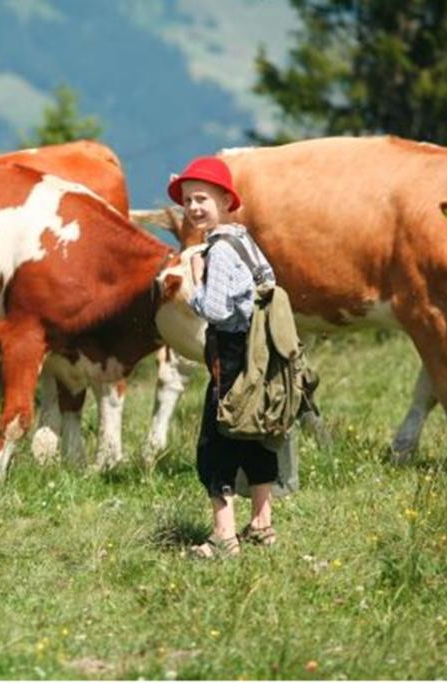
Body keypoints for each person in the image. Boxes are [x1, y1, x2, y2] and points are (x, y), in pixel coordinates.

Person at [167, 155, 279, 558]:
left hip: (230, 357)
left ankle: (223, 536)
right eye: (187, 200)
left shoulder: (218, 251)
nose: (194, 207)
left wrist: (196, 281)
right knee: (256, 437)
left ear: (224, 200)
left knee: (216, 444)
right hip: (260, 354)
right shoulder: (245, 241)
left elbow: (214, 311)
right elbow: (268, 285)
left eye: (201, 199)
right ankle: (262, 525)